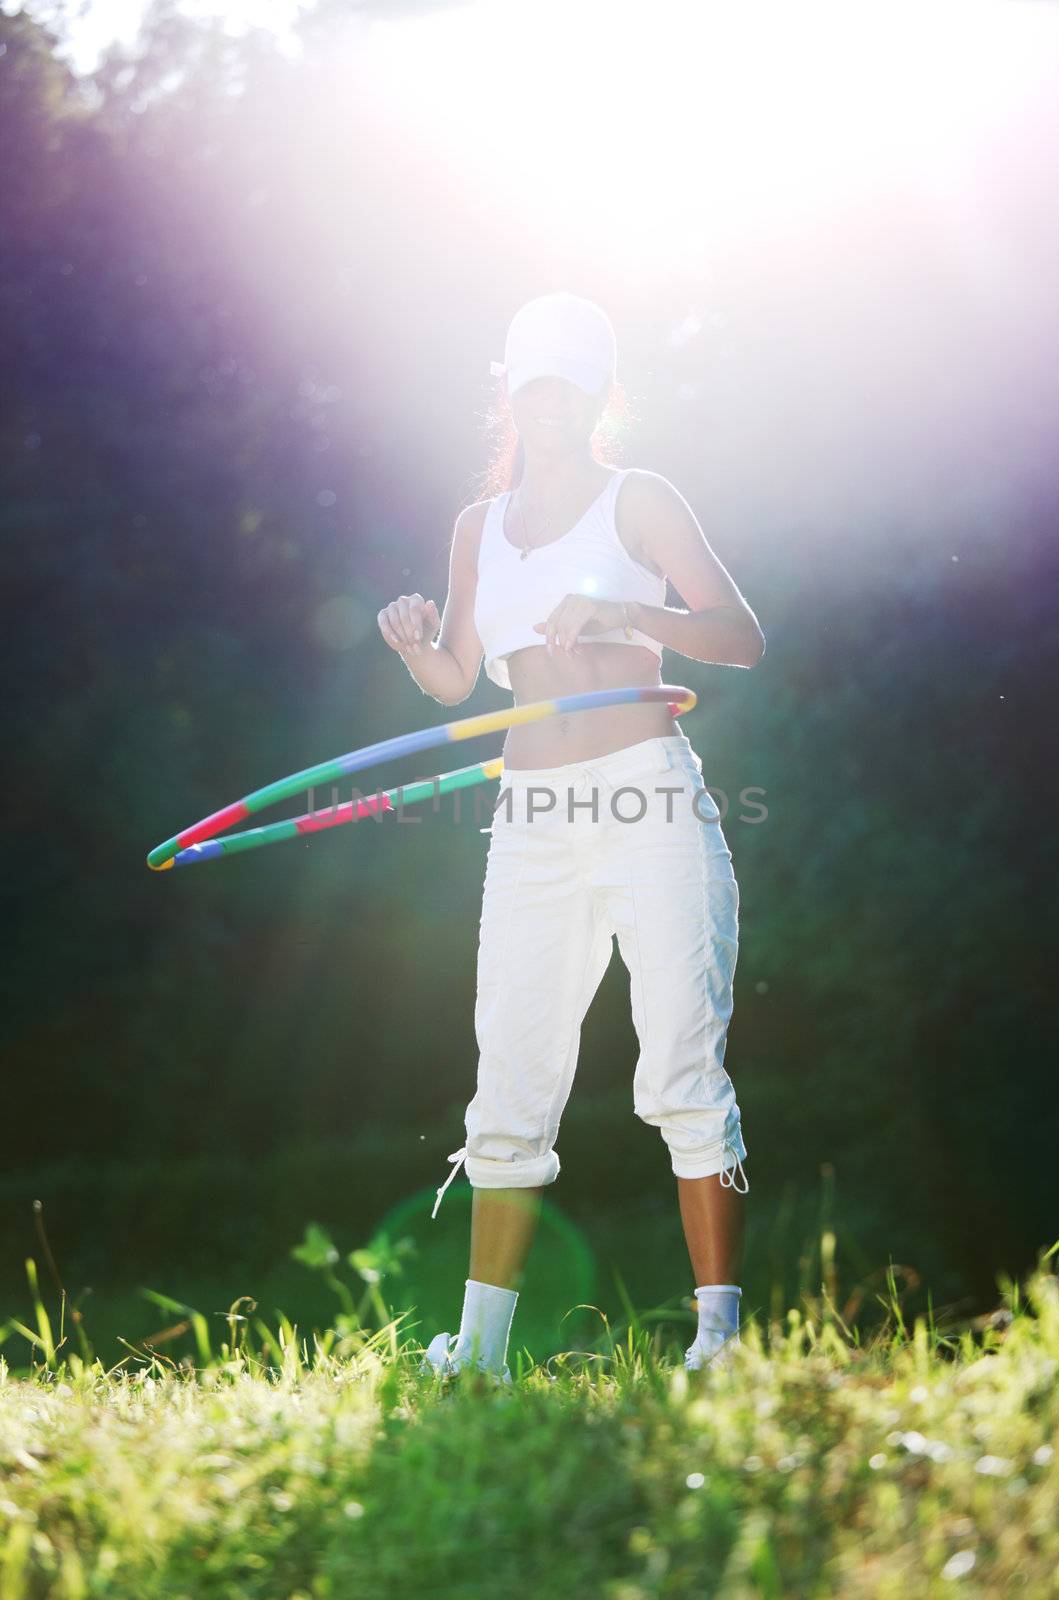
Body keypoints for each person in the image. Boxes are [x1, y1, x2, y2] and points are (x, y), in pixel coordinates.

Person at [377, 291, 765, 1383]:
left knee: (683, 1064)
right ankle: (483, 1353)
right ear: (506, 392)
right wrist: (417, 650)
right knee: (508, 1074)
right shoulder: (474, 529)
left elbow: (739, 637)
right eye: (528, 382)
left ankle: (719, 1342)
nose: (544, 402)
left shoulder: (638, 501)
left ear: (597, 394)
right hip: (532, 819)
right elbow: (461, 679)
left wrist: (623, 613)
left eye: (566, 383)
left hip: (645, 793)